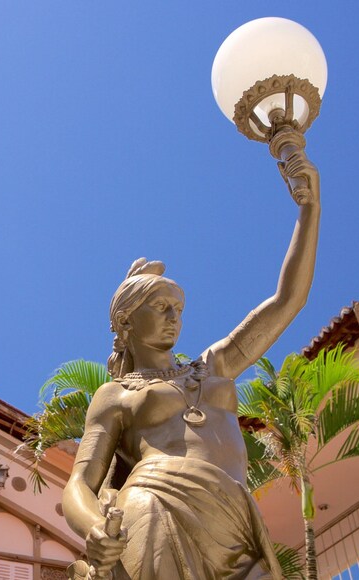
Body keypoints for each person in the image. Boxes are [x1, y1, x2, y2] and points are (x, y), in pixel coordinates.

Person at [62, 150, 319, 579]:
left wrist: (309, 209)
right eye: (160, 305)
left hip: (235, 517)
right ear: (126, 321)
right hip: (155, 507)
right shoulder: (117, 394)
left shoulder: (214, 364)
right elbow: (79, 484)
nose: (173, 317)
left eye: (178, 308)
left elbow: (288, 301)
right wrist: (94, 529)